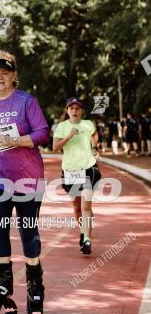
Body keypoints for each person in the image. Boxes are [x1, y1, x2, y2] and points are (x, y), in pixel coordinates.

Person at [0, 50, 50, 314]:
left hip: (28, 178)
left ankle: (35, 288)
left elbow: (43, 133)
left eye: (5, 72)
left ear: (14, 75)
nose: (0, 76)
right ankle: (3, 282)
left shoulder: (26, 101)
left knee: (28, 232)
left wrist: (18, 140)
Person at [53, 97, 100, 256]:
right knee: (77, 207)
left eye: (77, 108)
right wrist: (69, 136)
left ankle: (86, 239)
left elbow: (94, 135)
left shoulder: (88, 124)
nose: (74, 110)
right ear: (67, 110)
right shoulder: (62, 126)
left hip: (88, 168)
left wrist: (94, 148)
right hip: (70, 171)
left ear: (81, 111)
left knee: (86, 207)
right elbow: (55, 148)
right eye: (71, 108)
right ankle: (83, 229)